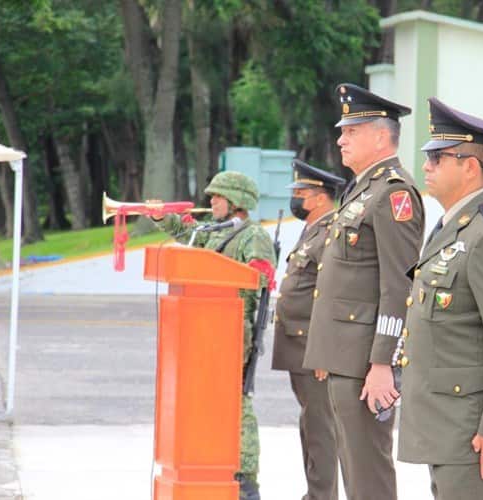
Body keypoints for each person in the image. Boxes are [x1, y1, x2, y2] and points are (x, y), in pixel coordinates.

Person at [396, 97, 483, 500]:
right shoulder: (453, 227)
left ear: (470, 166)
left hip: (477, 436)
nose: (426, 166)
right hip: (449, 429)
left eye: (438, 157)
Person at [303, 83, 425, 500]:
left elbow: (399, 287)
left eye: (350, 131)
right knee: (353, 470)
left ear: (378, 136)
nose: (340, 139)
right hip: (345, 356)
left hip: (365, 362)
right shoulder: (362, 188)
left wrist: (382, 364)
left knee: (367, 474)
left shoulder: (393, 194)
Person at [152, 171, 276, 500]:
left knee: (236, 404)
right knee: (209, 403)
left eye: (218, 196)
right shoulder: (221, 231)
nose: (212, 202)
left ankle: (245, 476)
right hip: (207, 329)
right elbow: (192, 235)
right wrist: (161, 218)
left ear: (237, 201)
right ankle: (208, 462)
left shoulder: (253, 236)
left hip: (233, 330)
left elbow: (258, 278)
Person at [271, 159, 345, 500]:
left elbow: (333, 295)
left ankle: (321, 496)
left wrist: (325, 349)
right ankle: (315, 492)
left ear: (319, 197)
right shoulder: (313, 230)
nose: (296, 199)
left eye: (301, 193)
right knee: (310, 424)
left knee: (320, 427)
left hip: (312, 348)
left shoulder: (331, 233)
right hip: (300, 346)